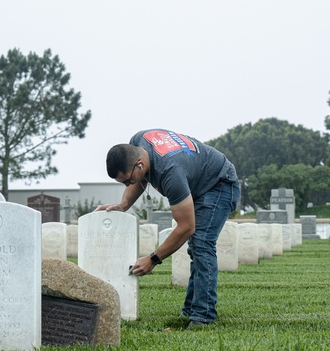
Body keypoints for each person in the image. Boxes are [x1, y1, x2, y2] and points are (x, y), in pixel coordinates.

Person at [97, 129, 239, 328]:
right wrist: (123, 204)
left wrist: (153, 258)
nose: (129, 184)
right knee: (197, 246)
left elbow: (186, 227)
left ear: (139, 164)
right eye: (124, 183)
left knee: (201, 243)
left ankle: (203, 315)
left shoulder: (171, 173)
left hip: (219, 184)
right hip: (198, 180)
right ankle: (190, 311)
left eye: (128, 180)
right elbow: (141, 178)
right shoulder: (138, 143)